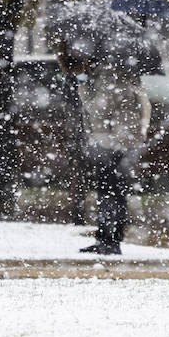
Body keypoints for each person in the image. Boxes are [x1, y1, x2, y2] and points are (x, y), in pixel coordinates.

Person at [57, 41, 151, 256]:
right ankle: (108, 237)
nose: (78, 72)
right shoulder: (114, 74)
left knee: (110, 191)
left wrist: (84, 84)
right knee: (111, 191)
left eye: (77, 68)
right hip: (117, 141)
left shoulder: (110, 77)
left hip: (114, 142)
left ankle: (109, 239)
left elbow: (97, 109)